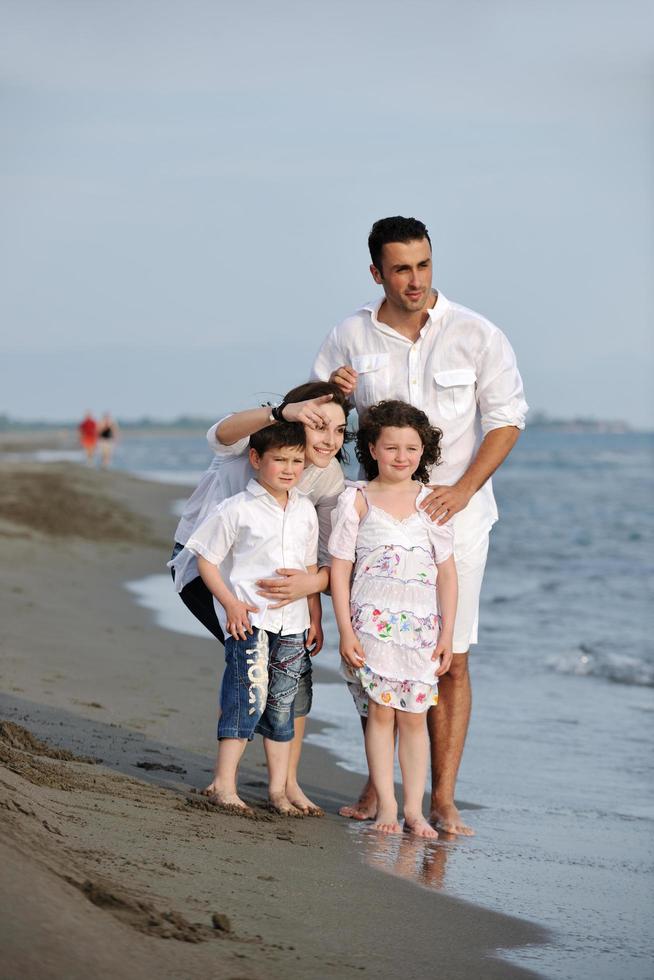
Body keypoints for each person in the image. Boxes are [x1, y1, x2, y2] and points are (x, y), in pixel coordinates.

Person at [312, 215, 528, 835]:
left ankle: (441, 797)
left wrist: (461, 491)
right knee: (375, 654)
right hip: (375, 521)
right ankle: (381, 784)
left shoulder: (477, 334)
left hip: (453, 520)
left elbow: (507, 418)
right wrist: (333, 390)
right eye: (401, 268)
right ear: (377, 272)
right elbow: (320, 415)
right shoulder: (350, 334)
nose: (415, 279)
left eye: (424, 265)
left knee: (449, 660)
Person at [169, 380, 350, 814]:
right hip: (208, 573)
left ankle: (284, 785)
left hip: (282, 598)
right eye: (318, 424)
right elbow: (219, 433)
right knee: (248, 674)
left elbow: (324, 558)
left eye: (340, 430)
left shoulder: (325, 480)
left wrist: (314, 597)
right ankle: (225, 780)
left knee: (291, 678)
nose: (328, 439)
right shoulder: (254, 445)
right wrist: (282, 413)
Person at [329, 401, 457, 837]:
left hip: (420, 630)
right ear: (372, 449)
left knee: (415, 718)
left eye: (412, 448)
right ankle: (386, 807)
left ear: (424, 451)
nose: (402, 457)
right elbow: (341, 568)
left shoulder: (432, 503)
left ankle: (415, 811)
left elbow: (447, 573)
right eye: (392, 447)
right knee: (381, 715)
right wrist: (345, 630)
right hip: (372, 625)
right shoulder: (356, 501)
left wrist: (447, 634)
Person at [185, 421, 322, 816]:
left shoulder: (305, 511)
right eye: (279, 459)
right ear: (256, 459)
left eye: (297, 460)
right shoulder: (236, 509)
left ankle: (279, 791)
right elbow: (206, 559)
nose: (289, 468)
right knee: (245, 699)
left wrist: (315, 615)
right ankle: (224, 783)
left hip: (294, 625)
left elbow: (310, 566)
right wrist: (229, 603)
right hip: (250, 620)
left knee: (281, 706)